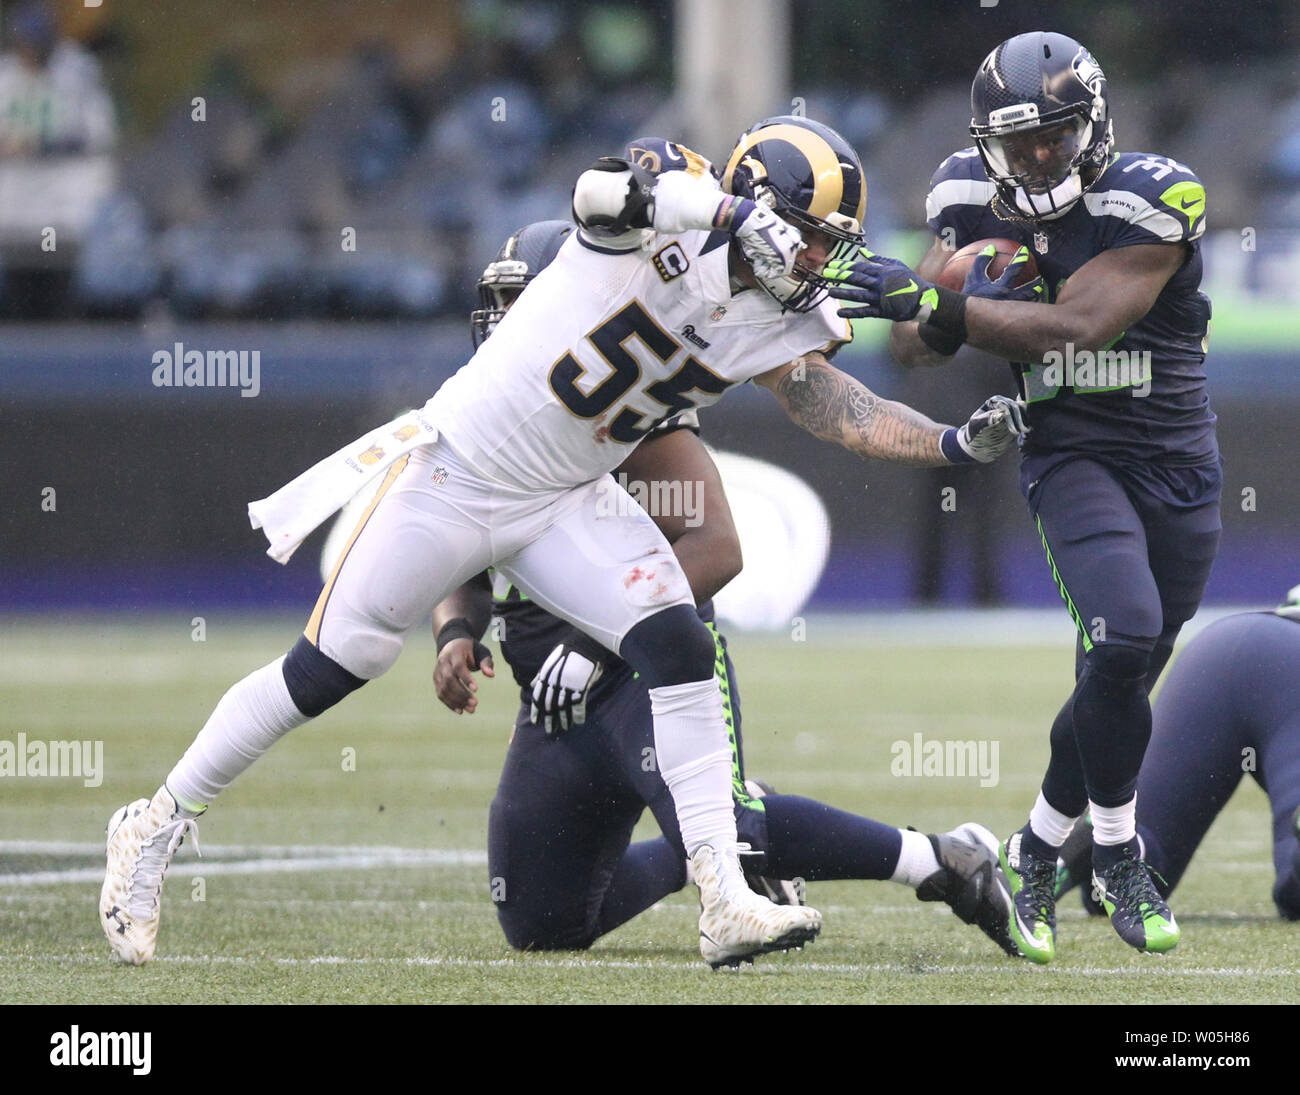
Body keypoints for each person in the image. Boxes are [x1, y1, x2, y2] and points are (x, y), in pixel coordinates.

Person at [100, 117, 1022, 969]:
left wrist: (943, 443)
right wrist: (737, 213)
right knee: (328, 667)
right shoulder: (670, 214)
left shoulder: (781, 314)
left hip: (563, 497)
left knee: (675, 637)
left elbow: (836, 406)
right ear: (760, 208)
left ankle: (724, 896)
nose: (822, 258)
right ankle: (156, 821)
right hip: (457, 472)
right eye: (813, 234)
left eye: (834, 243)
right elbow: (595, 193)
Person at [434, 219, 1021, 963]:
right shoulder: (477, 412)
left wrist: (591, 641)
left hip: (642, 673)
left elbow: (715, 547)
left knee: (732, 832)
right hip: (549, 693)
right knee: (542, 920)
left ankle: (941, 860)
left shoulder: (629, 405)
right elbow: (455, 543)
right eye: (500, 303)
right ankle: (728, 839)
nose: (505, 323)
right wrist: (455, 630)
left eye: (524, 303)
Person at [825, 33, 1220, 962]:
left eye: (1056, 135)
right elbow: (913, 349)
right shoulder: (965, 193)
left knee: (1119, 671)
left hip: (1177, 461)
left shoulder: (1152, 195)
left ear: (1095, 123)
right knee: (1122, 633)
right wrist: (925, 298)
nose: (1040, 156)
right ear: (987, 142)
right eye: (1021, 142)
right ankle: (1119, 853)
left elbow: (1080, 323)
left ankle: (1037, 845)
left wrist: (938, 305)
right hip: (1070, 450)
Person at [1056, 591, 1300, 922]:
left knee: (1121, 880)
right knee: (1295, 890)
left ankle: (1032, 858)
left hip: (1226, 645)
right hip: (1290, 684)